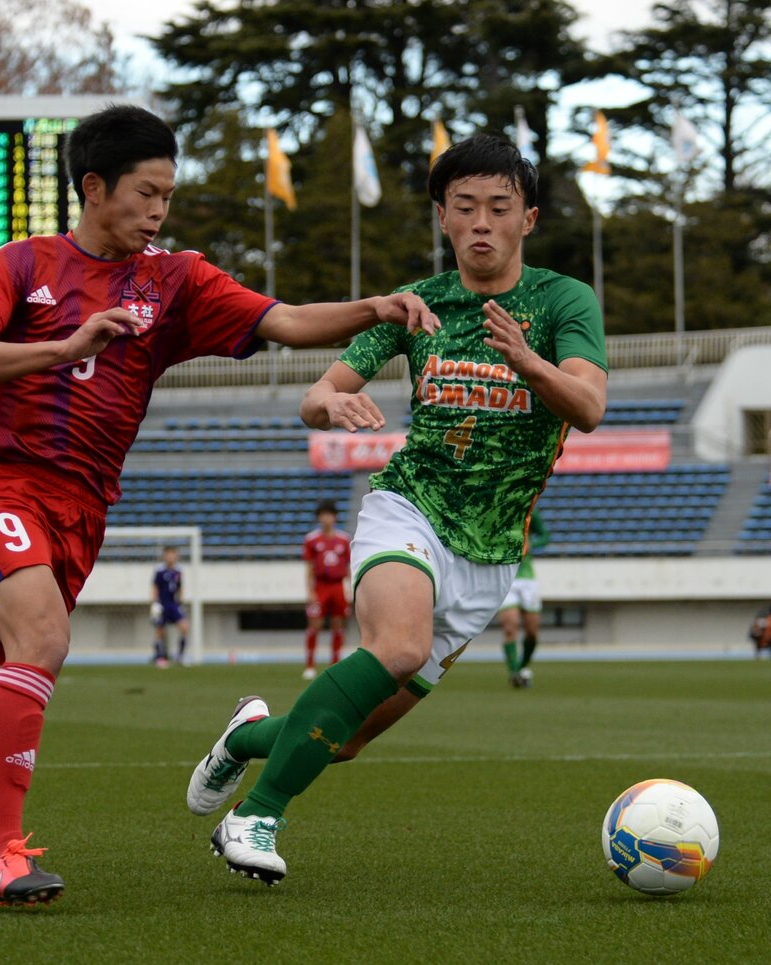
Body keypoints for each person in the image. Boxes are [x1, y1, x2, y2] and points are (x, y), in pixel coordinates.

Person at [0, 103, 439, 907]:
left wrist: (375, 308)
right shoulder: (20, 264)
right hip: (3, 484)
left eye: (167, 195)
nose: (159, 211)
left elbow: (286, 320)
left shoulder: (176, 279)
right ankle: (1, 856)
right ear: (94, 187)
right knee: (44, 637)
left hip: (82, 512)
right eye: (146, 193)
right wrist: (65, 345)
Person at [185, 132, 608, 886]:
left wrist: (528, 361)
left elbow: (590, 406)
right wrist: (330, 404)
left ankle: (246, 737)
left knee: (343, 739)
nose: (481, 222)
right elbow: (319, 393)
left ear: (529, 219)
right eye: (465, 206)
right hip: (408, 508)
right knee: (400, 648)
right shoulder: (417, 303)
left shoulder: (562, 300)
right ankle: (257, 814)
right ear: (442, 217)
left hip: (490, 555)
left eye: (499, 207)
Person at [499, 507, 549, 687]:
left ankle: (522, 667)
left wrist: (532, 544)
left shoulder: (529, 511)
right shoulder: (499, 510)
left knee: (532, 633)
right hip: (506, 577)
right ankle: (514, 672)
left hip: (527, 579)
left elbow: (545, 536)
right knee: (510, 626)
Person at [301, 499, 351, 679]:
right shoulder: (311, 539)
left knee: (338, 624)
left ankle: (334, 664)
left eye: (329, 515)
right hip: (320, 585)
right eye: (323, 515)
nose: (326, 518)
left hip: (337, 585)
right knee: (315, 624)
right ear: (319, 517)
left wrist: (349, 588)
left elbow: (348, 566)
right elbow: (309, 567)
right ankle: (309, 665)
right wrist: (310, 590)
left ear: (335, 517)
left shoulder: (344, 540)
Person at [151, 546, 189, 666]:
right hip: (162, 604)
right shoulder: (160, 571)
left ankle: (180, 656)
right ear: (164, 556)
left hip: (173, 604)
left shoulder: (178, 572)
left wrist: (180, 602)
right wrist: (155, 603)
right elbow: (155, 587)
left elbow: (180, 587)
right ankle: (160, 657)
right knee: (160, 630)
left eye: (173, 555)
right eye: (169, 555)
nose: (171, 557)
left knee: (184, 627)